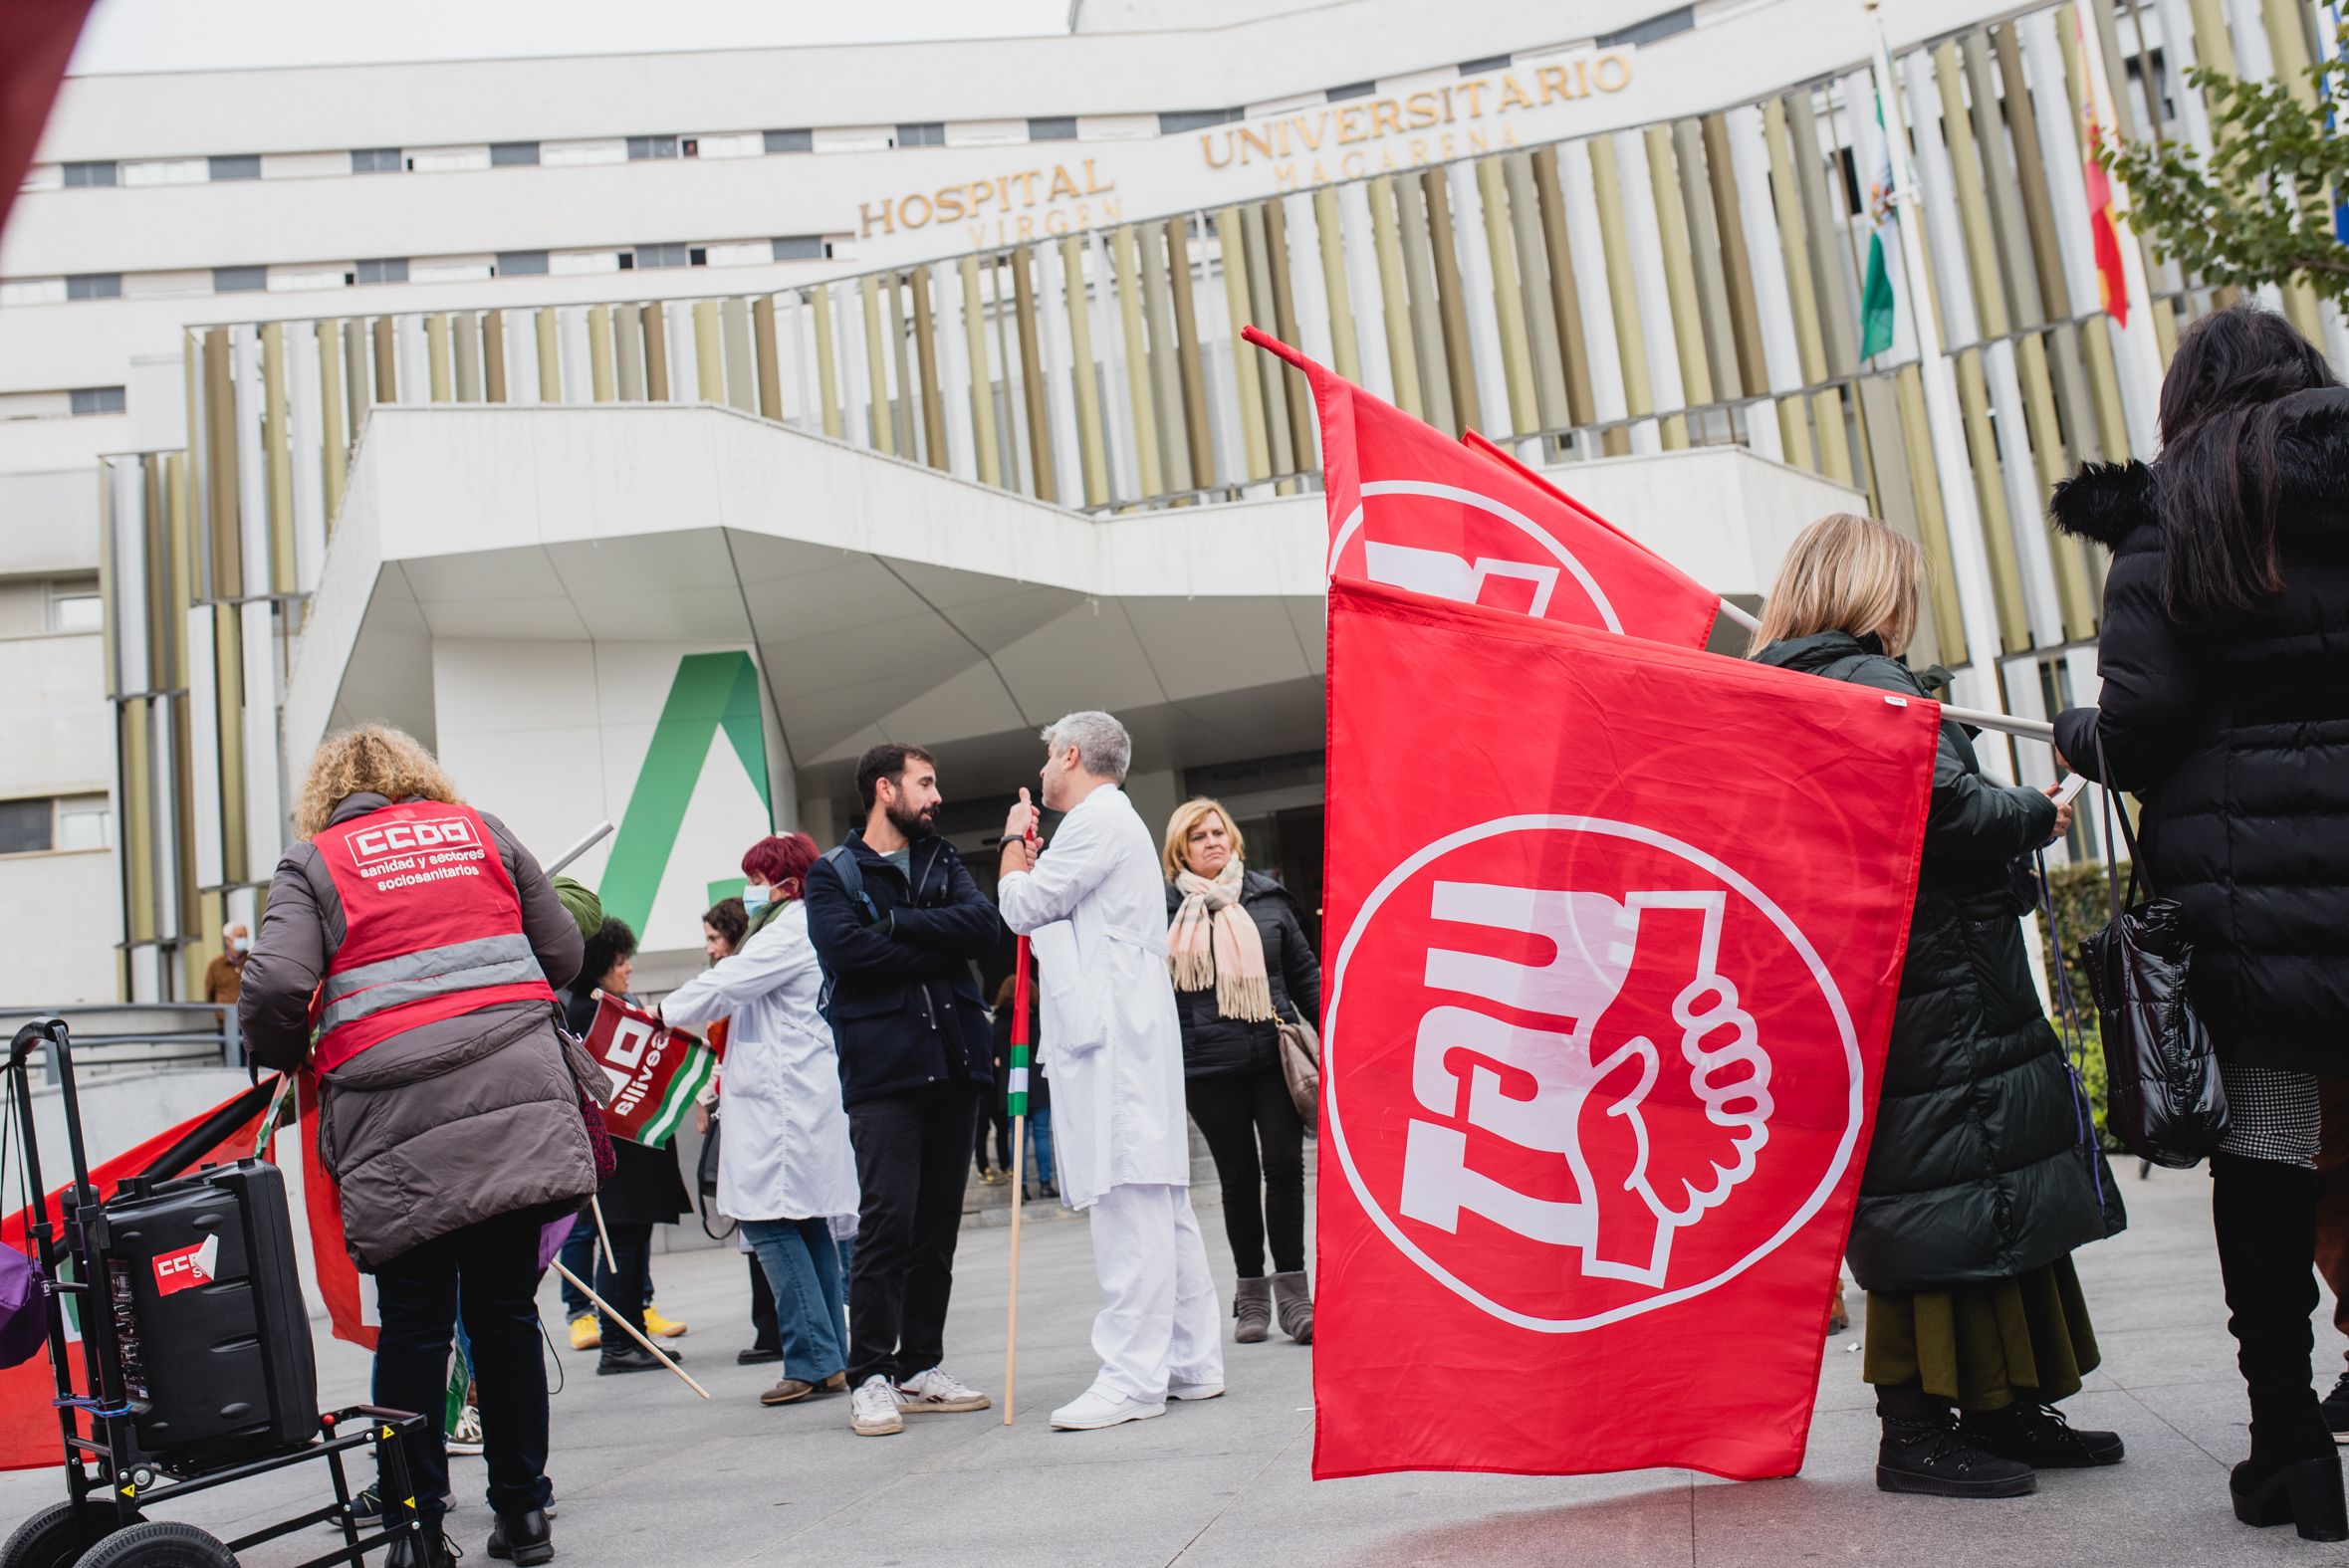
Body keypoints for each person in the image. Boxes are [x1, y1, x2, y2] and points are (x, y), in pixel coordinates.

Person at [2049, 303, 2349, 1542]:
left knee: (2269, 1159)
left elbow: (2135, 725)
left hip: (2251, 907)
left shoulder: (2176, 509)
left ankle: (2289, 1450)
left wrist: (2076, 734)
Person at [1750, 514, 2124, 1500]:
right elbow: (1944, 810)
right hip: (1939, 978)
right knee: (1951, 1193)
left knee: (1950, 1189)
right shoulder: (1869, 684)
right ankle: (1919, 1431)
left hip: (1886, 976)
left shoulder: (1788, 689)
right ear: (1873, 590)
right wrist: (2035, 815)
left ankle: (1999, 1406)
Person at [239, 724, 592, 1568]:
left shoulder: (316, 861)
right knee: (504, 1312)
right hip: (517, 1105)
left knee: (415, 1325)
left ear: (325, 792)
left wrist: (286, 1051)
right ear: (418, 777)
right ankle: (524, 1516)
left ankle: (417, 1529)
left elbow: (280, 983)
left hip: (394, 1130)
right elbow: (565, 953)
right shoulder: (482, 831)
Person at [998, 712, 1224, 1431]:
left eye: (1045, 761)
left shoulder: (1095, 820)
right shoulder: (1107, 822)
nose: (1040, 775)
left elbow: (1023, 905)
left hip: (1115, 1035)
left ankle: (1132, 1375)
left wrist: (1010, 842)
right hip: (1124, 1027)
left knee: (1130, 1198)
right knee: (1157, 1200)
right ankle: (1190, 1359)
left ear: (1070, 754)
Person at [804, 742, 1001, 1438]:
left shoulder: (943, 859)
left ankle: (920, 1364)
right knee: (887, 1223)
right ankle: (871, 1375)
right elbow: (848, 955)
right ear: (884, 789)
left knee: (938, 1227)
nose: (936, 795)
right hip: (883, 1074)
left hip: (956, 1063)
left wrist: (894, 925)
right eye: (925, 782)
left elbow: (982, 926)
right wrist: (928, 940)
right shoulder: (831, 874)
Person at [661, 834, 859, 1408]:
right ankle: (829, 1355)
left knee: (770, 1223)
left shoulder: (790, 929)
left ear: (785, 885)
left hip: (785, 1104)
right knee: (803, 1224)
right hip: (787, 1098)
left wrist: (658, 1012)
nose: (748, 892)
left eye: (755, 880)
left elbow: (727, 984)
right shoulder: (786, 929)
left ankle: (812, 1358)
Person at [1161, 797, 1319, 1344]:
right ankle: (1250, 1296)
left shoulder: (1268, 899)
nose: (1212, 842)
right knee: (1236, 1180)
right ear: (1181, 850)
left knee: (1283, 1168)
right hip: (1206, 1067)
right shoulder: (1162, 912)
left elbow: (1306, 980)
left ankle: (1295, 1297)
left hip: (1272, 1059)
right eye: (1199, 836)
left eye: (1218, 832)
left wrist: (1343, 1037)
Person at [565, 918, 692, 1374]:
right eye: (621, 961)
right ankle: (618, 1342)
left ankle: (632, 1333)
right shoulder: (588, 1010)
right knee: (621, 1244)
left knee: (632, 1243)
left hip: (627, 1151)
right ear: (600, 964)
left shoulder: (603, 1004)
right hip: (617, 1151)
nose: (629, 969)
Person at [691, 895, 786, 1367]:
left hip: (762, 1113)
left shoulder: (746, 982)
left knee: (765, 1225)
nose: (709, 949)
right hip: (744, 1108)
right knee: (755, 1226)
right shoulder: (733, 985)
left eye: (714, 938)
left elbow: (730, 1053)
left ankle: (777, 1330)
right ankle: (771, 1327)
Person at [992, 973, 1055, 1200]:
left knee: (1017, 1136)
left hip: (1012, 1083)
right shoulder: (1040, 1019)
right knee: (1040, 1135)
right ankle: (1046, 1184)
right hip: (1038, 1082)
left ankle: (1022, 1187)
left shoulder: (999, 1023)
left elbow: (995, 1056)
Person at [204, 922, 250, 1005]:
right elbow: (210, 994)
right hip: (224, 1016)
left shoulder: (253, 961)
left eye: (245, 936)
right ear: (227, 939)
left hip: (250, 1015)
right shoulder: (216, 965)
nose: (244, 939)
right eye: (239, 936)